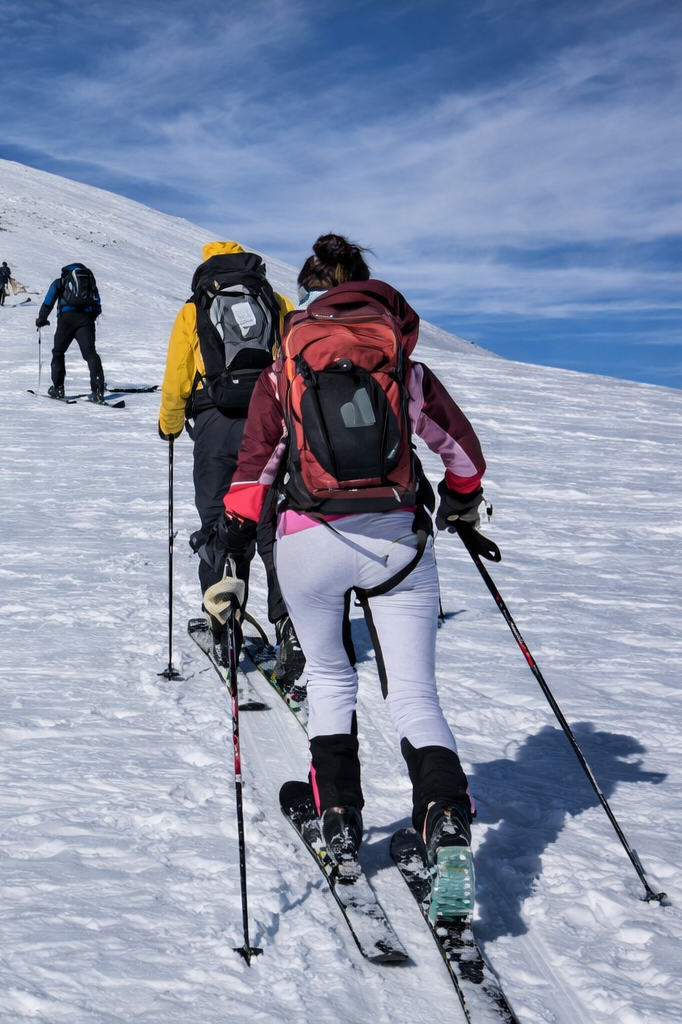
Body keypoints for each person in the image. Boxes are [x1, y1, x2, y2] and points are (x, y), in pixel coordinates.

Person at [209, 234, 488, 918]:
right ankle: (445, 817)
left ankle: (337, 817)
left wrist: (236, 540)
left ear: (310, 295)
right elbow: (461, 454)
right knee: (415, 694)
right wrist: (461, 501)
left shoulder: (286, 365)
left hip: (309, 540)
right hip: (397, 542)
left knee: (332, 678)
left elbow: (256, 466)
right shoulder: (402, 363)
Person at [157, 241, 298, 682]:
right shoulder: (275, 300)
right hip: (270, 422)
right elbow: (295, 359)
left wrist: (169, 425)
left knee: (220, 520)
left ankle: (224, 625)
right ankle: (289, 625)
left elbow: (177, 377)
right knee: (272, 525)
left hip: (214, 422)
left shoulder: (194, 308)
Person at [36, 263, 107, 403]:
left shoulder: (60, 282)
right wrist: (89, 319)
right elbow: (97, 305)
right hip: (86, 321)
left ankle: (58, 388)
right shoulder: (89, 281)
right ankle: (98, 391)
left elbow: (48, 301)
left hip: (66, 320)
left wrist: (41, 319)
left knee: (58, 352)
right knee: (90, 354)